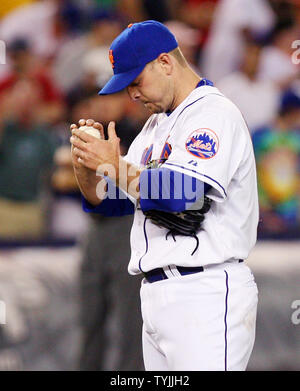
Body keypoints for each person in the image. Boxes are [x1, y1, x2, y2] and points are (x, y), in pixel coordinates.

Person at [70, 20, 259, 371]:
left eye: (136, 82)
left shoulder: (212, 114)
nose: (133, 95)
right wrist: (87, 167)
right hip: (158, 294)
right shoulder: (155, 126)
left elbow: (185, 199)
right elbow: (110, 202)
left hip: (204, 290)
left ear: (165, 62)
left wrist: (114, 165)